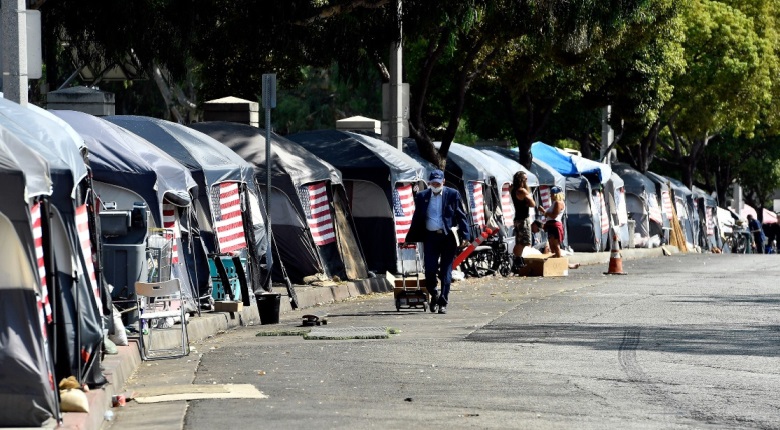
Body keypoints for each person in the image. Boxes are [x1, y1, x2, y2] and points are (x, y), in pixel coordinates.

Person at [404, 169, 470, 314]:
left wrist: (465, 235)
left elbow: (461, 215)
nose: (435, 185)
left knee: (446, 272)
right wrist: (409, 238)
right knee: (430, 270)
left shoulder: (452, 194)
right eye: (433, 182)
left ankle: (443, 302)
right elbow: (416, 218)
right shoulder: (422, 196)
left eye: (438, 183)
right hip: (430, 237)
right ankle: (434, 294)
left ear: (443, 182)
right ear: (429, 183)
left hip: (447, 237)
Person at [510, 171, 535, 273]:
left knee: (520, 240)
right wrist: (528, 196)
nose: (526, 181)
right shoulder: (522, 190)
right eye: (525, 179)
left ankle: (517, 260)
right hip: (523, 219)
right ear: (521, 180)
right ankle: (517, 260)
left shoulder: (513, 190)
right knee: (524, 242)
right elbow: (533, 204)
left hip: (517, 218)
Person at [538, 186, 566, 258]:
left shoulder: (558, 202)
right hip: (551, 225)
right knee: (552, 246)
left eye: (552, 194)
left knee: (555, 245)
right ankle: (556, 260)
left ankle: (558, 261)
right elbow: (550, 216)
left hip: (555, 225)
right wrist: (545, 212)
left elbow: (554, 215)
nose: (550, 195)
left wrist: (544, 211)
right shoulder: (554, 203)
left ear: (556, 194)